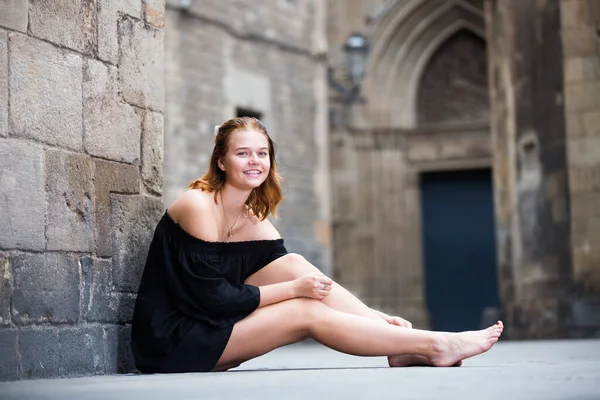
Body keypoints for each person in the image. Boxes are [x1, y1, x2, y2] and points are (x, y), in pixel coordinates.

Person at [130, 116, 503, 373]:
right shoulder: (198, 205)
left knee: (293, 263)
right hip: (173, 342)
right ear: (222, 161)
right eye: (243, 153)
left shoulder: (252, 218)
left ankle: (402, 344)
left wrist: (373, 317)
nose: (254, 161)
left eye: (262, 153)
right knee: (303, 310)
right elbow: (213, 299)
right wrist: (293, 291)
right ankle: (437, 345)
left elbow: (298, 273)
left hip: (211, 332)